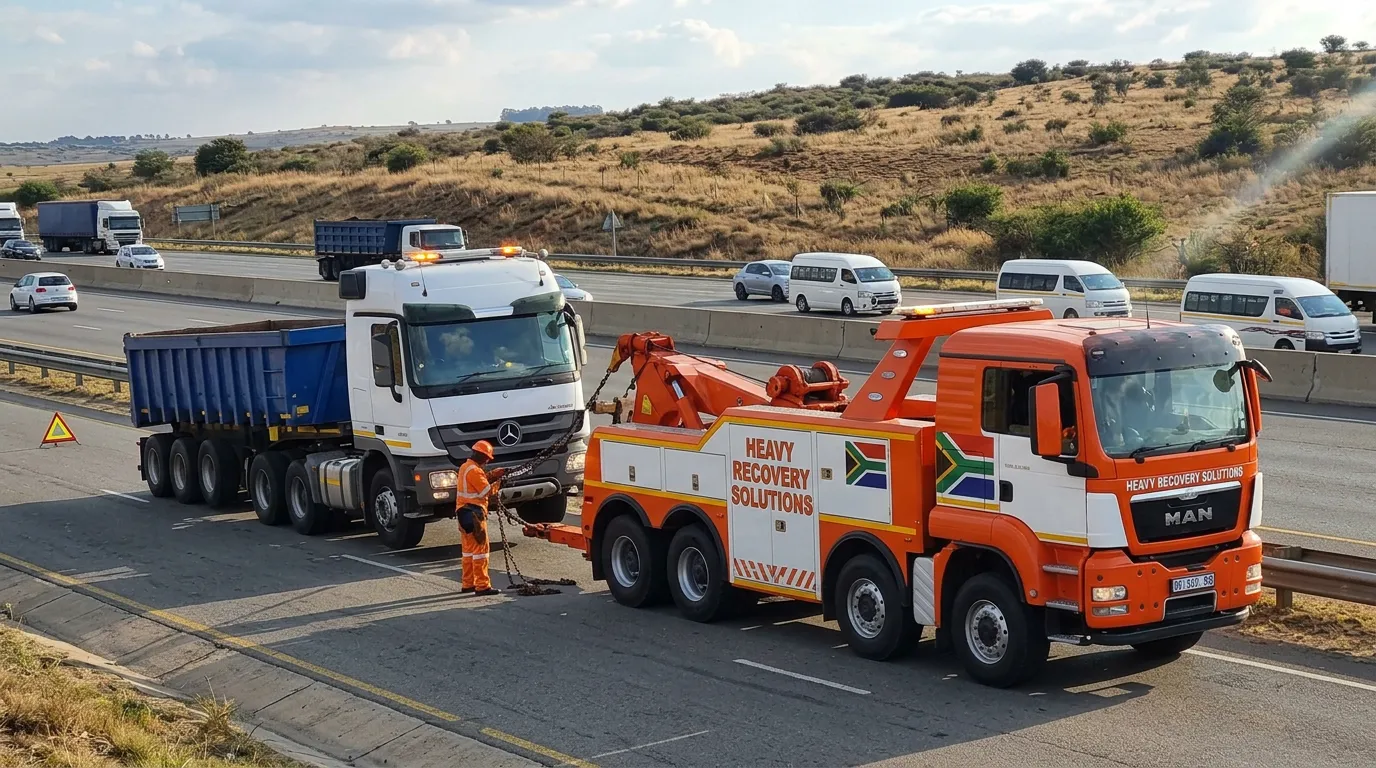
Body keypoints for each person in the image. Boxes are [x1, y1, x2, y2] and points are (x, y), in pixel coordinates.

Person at [455, 440, 506, 596]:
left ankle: (468, 583)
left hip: (463, 513)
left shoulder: (465, 467)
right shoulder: (475, 471)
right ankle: (482, 586)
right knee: (481, 551)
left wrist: (493, 474)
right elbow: (486, 491)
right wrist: (499, 483)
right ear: (481, 455)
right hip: (474, 514)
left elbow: (478, 481)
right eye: (487, 458)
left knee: (468, 551)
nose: (488, 461)